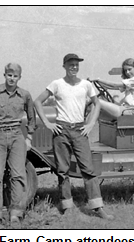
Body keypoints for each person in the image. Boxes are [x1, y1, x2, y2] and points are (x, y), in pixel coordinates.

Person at [34, 53, 113, 220]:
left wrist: (91, 123)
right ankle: (67, 206)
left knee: (88, 170)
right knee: (62, 171)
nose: (74, 67)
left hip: (79, 131)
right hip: (61, 131)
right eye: (71, 64)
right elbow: (37, 102)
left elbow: (97, 103)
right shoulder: (57, 84)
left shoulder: (86, 85)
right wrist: (48, 124)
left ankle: (97, 207)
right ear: (64, 66)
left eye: (76, 65)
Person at [0, 63, 36, 229]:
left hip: (17, 136)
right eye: (9, 75)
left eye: (15, 76)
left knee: (18, 175)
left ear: (19, 78)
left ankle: (16, 214)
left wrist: (29, 137)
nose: (12, 78)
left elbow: (32, 116)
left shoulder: (25, 94)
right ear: (4, 75)